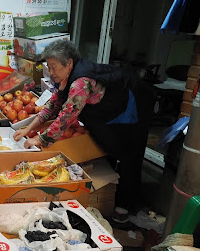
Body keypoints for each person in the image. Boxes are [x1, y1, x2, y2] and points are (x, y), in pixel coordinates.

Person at [14, 40, 154, 223]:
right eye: (49, 67)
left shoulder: (81, 82)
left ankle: (126, 205)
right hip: (108, 112)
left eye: (54, 67)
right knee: (110, 145)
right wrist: (29, 128)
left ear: (69, 63)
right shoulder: (64, 79)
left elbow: (66, 116)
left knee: (130, 152)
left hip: (133, 102)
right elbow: (53, 106)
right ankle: (112, 188)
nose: (52, 72)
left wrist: (40, 140)